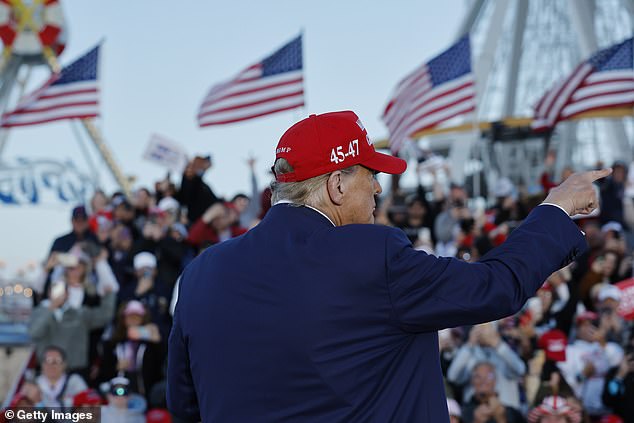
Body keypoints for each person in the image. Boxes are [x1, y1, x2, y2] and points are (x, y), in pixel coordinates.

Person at [167, 110, 609, 422]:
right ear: (337, 185)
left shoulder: (203, 273)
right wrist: (556, 208)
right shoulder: (371, 255)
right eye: (370, 175)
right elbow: (496, 286)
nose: (379, 188)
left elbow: (186, 407)